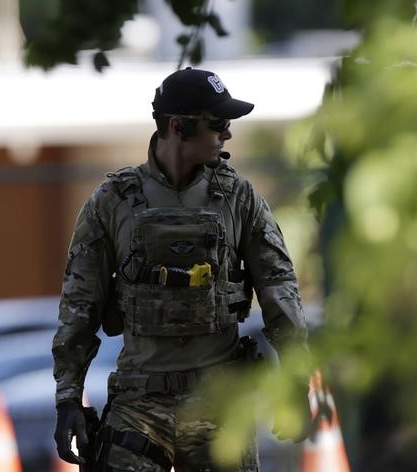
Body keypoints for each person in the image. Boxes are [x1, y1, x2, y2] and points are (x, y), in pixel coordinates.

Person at [53, 67, 309, 472]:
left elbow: (279, 289)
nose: (227, 135)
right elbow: (79, 304)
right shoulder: (111, 202)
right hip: (138, 402)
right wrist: (68, 397)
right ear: (179, 127)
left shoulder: (239, 198)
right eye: (218, 124)